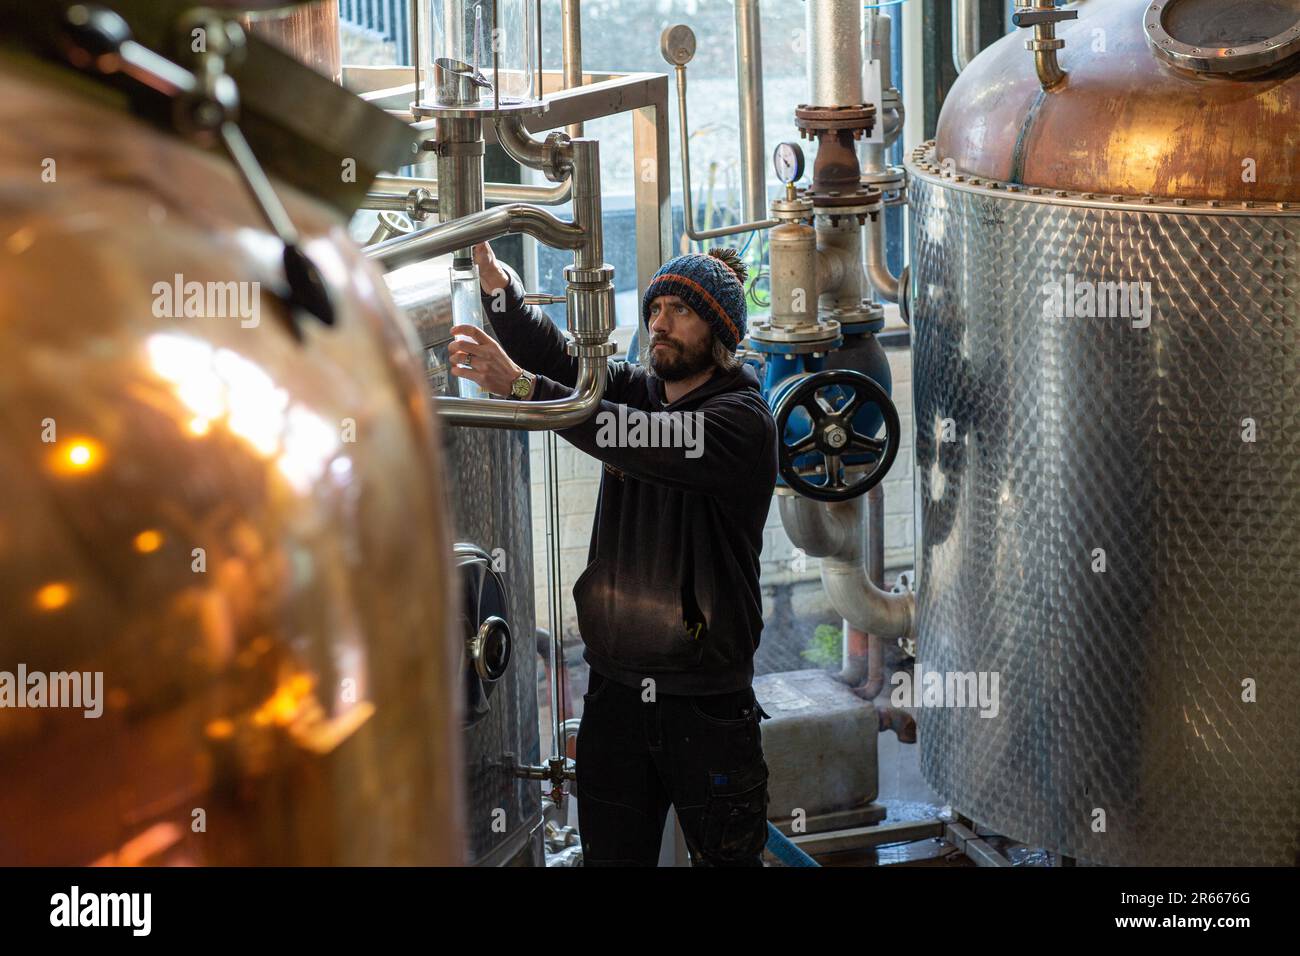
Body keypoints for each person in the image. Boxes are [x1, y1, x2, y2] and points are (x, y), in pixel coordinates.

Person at [451, 241, 777, 866]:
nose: (659, 322)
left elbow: (626, 434)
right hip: (616, 695)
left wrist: (521, 388)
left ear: (720, 331)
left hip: (704, 705)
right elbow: (563, 361)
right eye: (655, 307)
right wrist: (500, 289)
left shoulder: (741, 421)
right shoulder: (640, 390)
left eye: (681, 310)